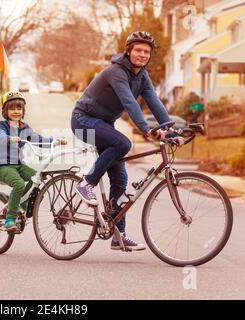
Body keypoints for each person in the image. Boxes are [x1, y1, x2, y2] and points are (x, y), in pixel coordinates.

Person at [71, 31, 185, 250]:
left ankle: (118, 235)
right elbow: (130, 103)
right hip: (82, 121)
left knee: (121, 180)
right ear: (129, 51)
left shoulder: (142, 76)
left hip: (104, 125)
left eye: (147, 52)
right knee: (123, 143)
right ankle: (86, 183)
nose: (142, 55)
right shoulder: (116, 72)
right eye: (138, 50)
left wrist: (169, 130)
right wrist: (146, 129)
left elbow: (154, 102)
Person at [0, 91, 67, 232]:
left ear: (23, 110)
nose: (16, 111)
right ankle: (10, 218)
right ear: (5, 110)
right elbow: (0, 137)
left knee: (37, 179)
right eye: (12, 108)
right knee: (19, 184)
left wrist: (56, 141)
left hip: (19, 165)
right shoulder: (2, 126)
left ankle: (21, 205)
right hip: (3, 166)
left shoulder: (25, 128)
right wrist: (10, 138)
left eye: (19, 108)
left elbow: (39, 139)